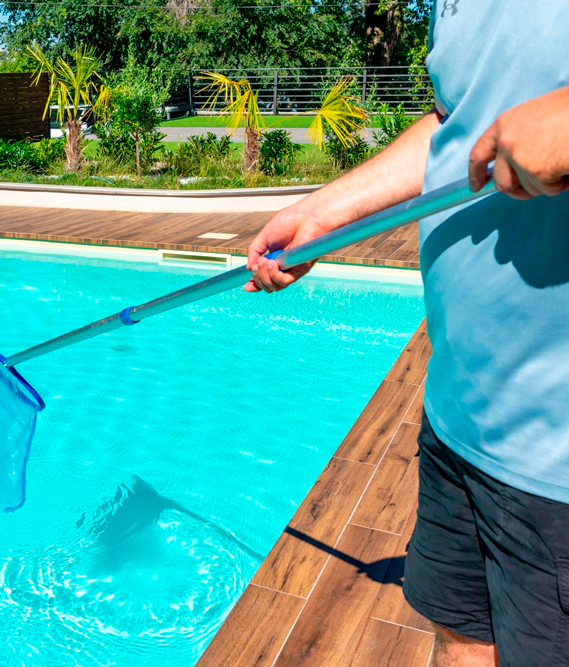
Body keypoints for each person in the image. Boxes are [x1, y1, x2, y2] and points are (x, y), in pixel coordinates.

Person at [243, 3, 569, 666]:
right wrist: (321, 212)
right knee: (461, 639)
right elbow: (457, 125)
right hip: (459, 413)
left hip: (555, 455)